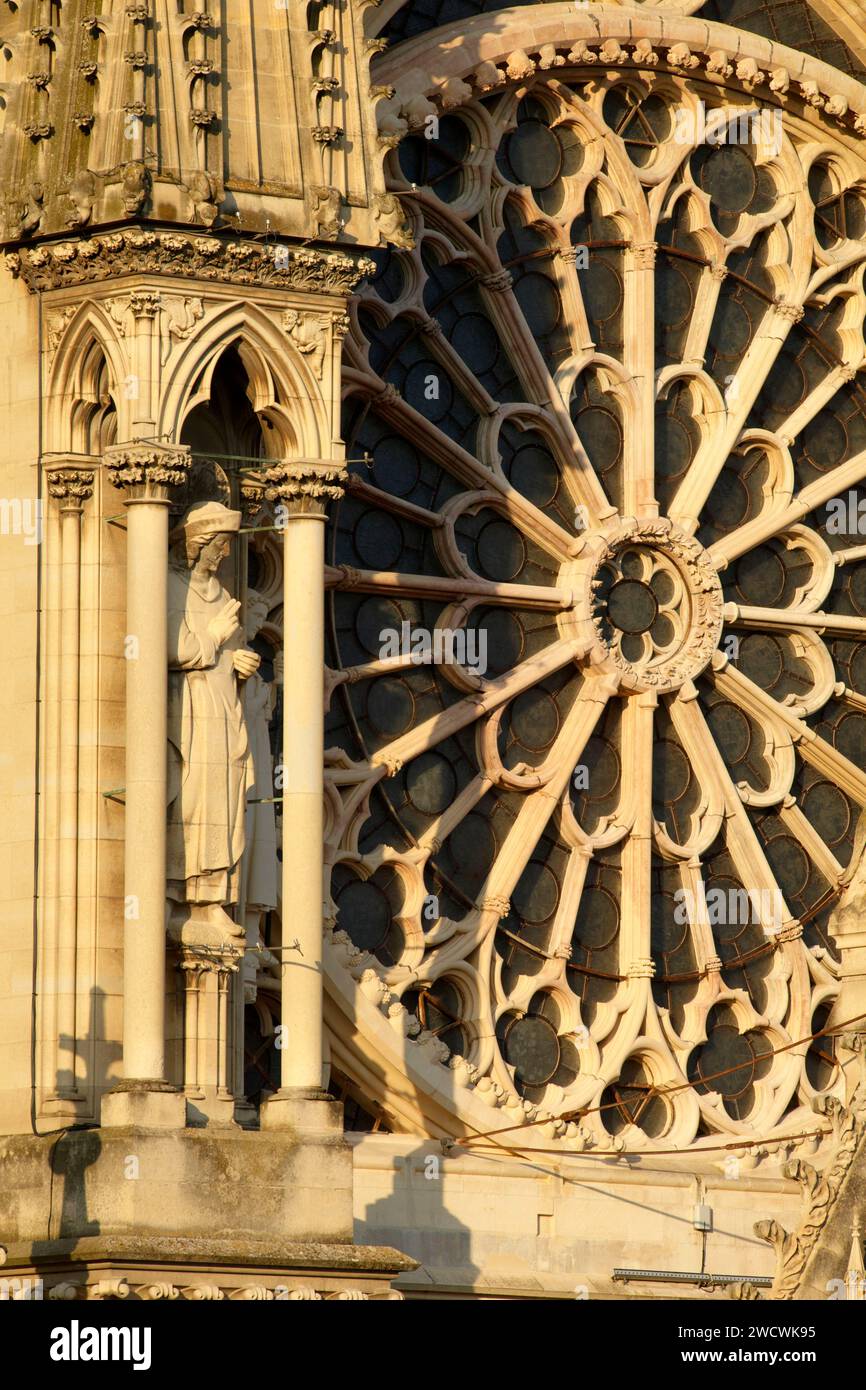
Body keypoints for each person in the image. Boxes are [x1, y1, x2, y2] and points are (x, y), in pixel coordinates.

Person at [166, 501, 261, 943]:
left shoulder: (223, 596)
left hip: (224, 709)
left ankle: (213, 898)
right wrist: (217, 638)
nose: (225, 554)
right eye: (220, 545)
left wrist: (239, 662)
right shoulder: (170, 587)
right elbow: (170, 650)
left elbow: (225, 653)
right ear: (199, 545)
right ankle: (181, 896)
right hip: (192, 712)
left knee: (223, 803)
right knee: (194, 800)